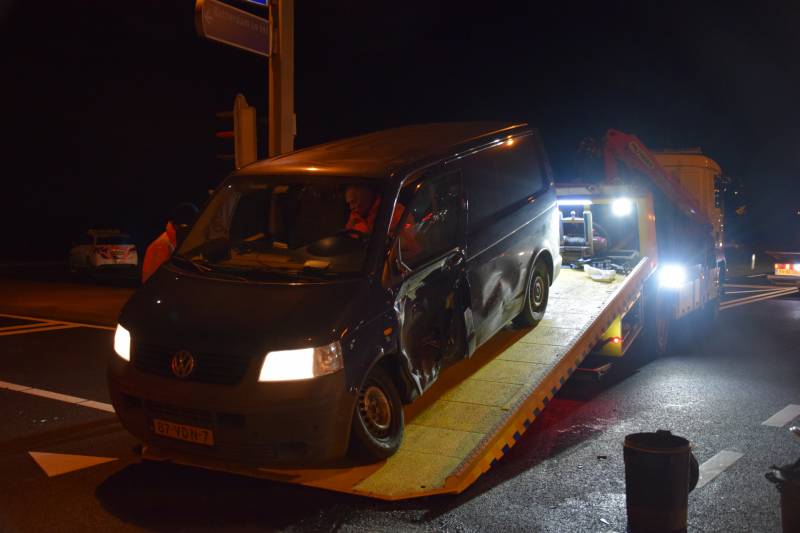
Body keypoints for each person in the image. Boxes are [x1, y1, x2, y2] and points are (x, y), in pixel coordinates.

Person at [142, 203, 199, 282]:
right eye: (189, 228)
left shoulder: (176, 241)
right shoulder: (163, 245)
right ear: (177, 226)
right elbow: (159, 280)